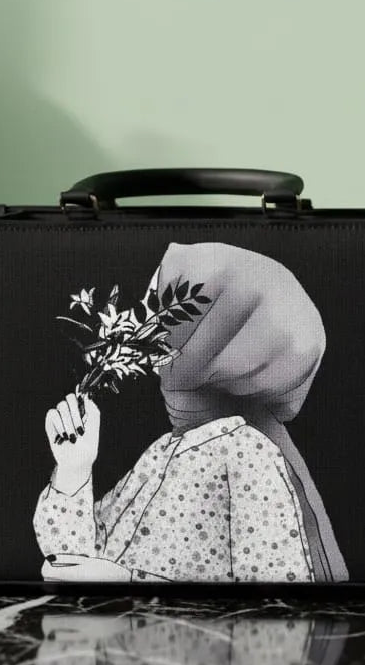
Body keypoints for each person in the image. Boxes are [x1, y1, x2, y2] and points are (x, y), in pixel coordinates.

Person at [34, 242, 348, 584]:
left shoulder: (247, 454)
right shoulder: (164, 450)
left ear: (216, 333)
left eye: (157, 311)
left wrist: (129, 581)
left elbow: (272, 607)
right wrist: (73, 470)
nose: (138, 326)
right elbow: (71, 558)